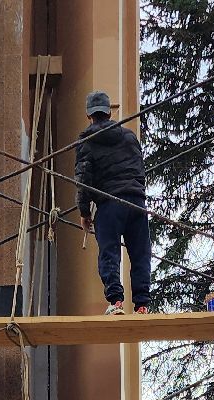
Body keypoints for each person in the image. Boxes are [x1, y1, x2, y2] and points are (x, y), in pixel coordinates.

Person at [74, 90, 151, 316]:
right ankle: (142, 304)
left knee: (109, 252)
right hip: (137, 202)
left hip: (109, 203)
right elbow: (140, 170)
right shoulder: (129, 137)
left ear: (89, 116)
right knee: (140, 254)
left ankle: (116, 302)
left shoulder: (85, 140)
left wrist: (84, 211)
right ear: (109, 112)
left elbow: (83, 180)